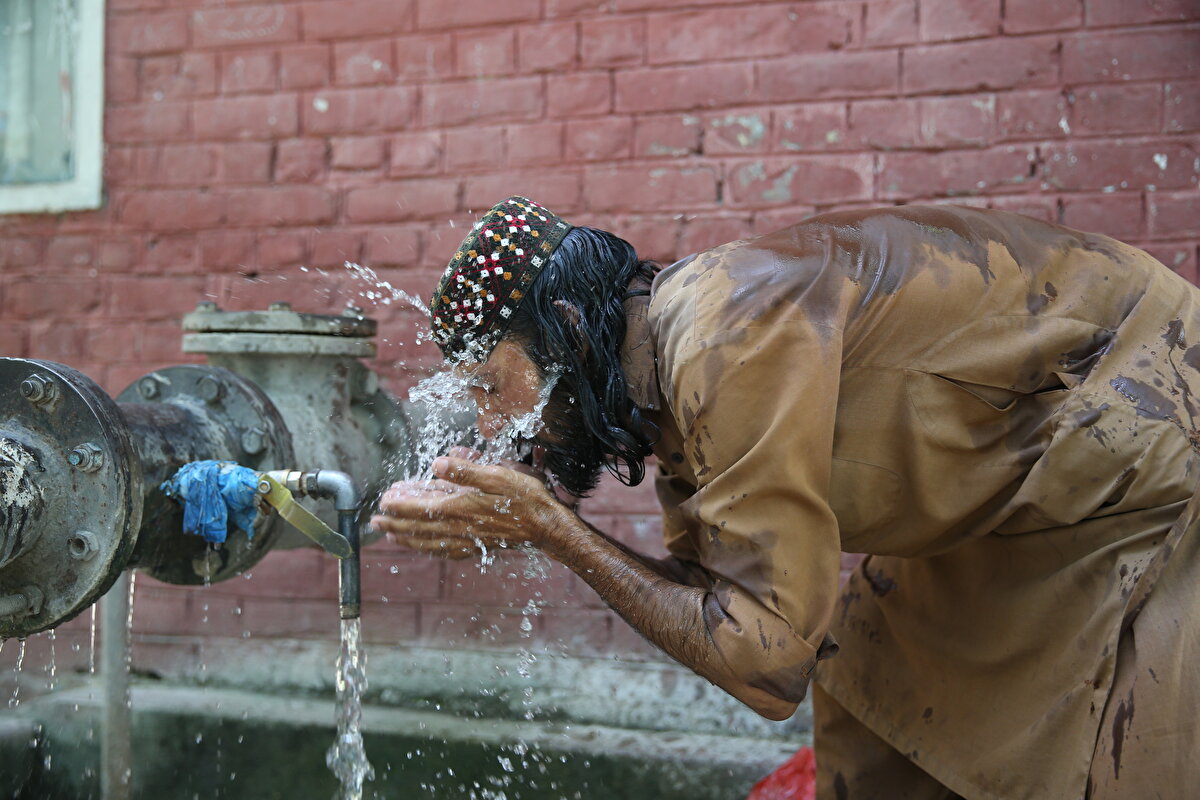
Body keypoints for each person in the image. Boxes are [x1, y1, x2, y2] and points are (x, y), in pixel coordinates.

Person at [370, 196, 1200, 799]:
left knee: (1125, 752)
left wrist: (557, 532)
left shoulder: (725, 340)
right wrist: (548, 527)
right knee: (877, 697)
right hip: (1018, 486)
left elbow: (768, 666)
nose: (494, 426)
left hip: (1145, 416)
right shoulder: (669, 384)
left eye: (490, 385)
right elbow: (717, 607)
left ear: (567, 330)